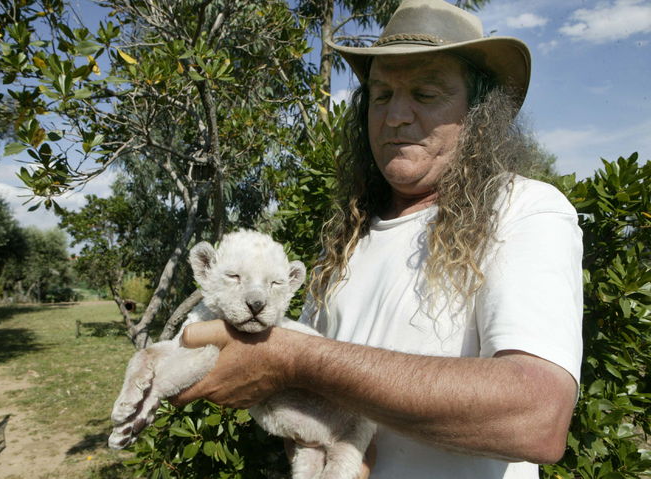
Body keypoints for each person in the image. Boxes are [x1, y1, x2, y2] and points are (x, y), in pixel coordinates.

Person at [174, 0, 583, 477]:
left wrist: (296, 359)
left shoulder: (523, 209)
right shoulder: (346, 237)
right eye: (382, 94)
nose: (394, 116)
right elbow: (303, 401)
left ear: (479, 113)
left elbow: (537, 417)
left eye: (425, 93)